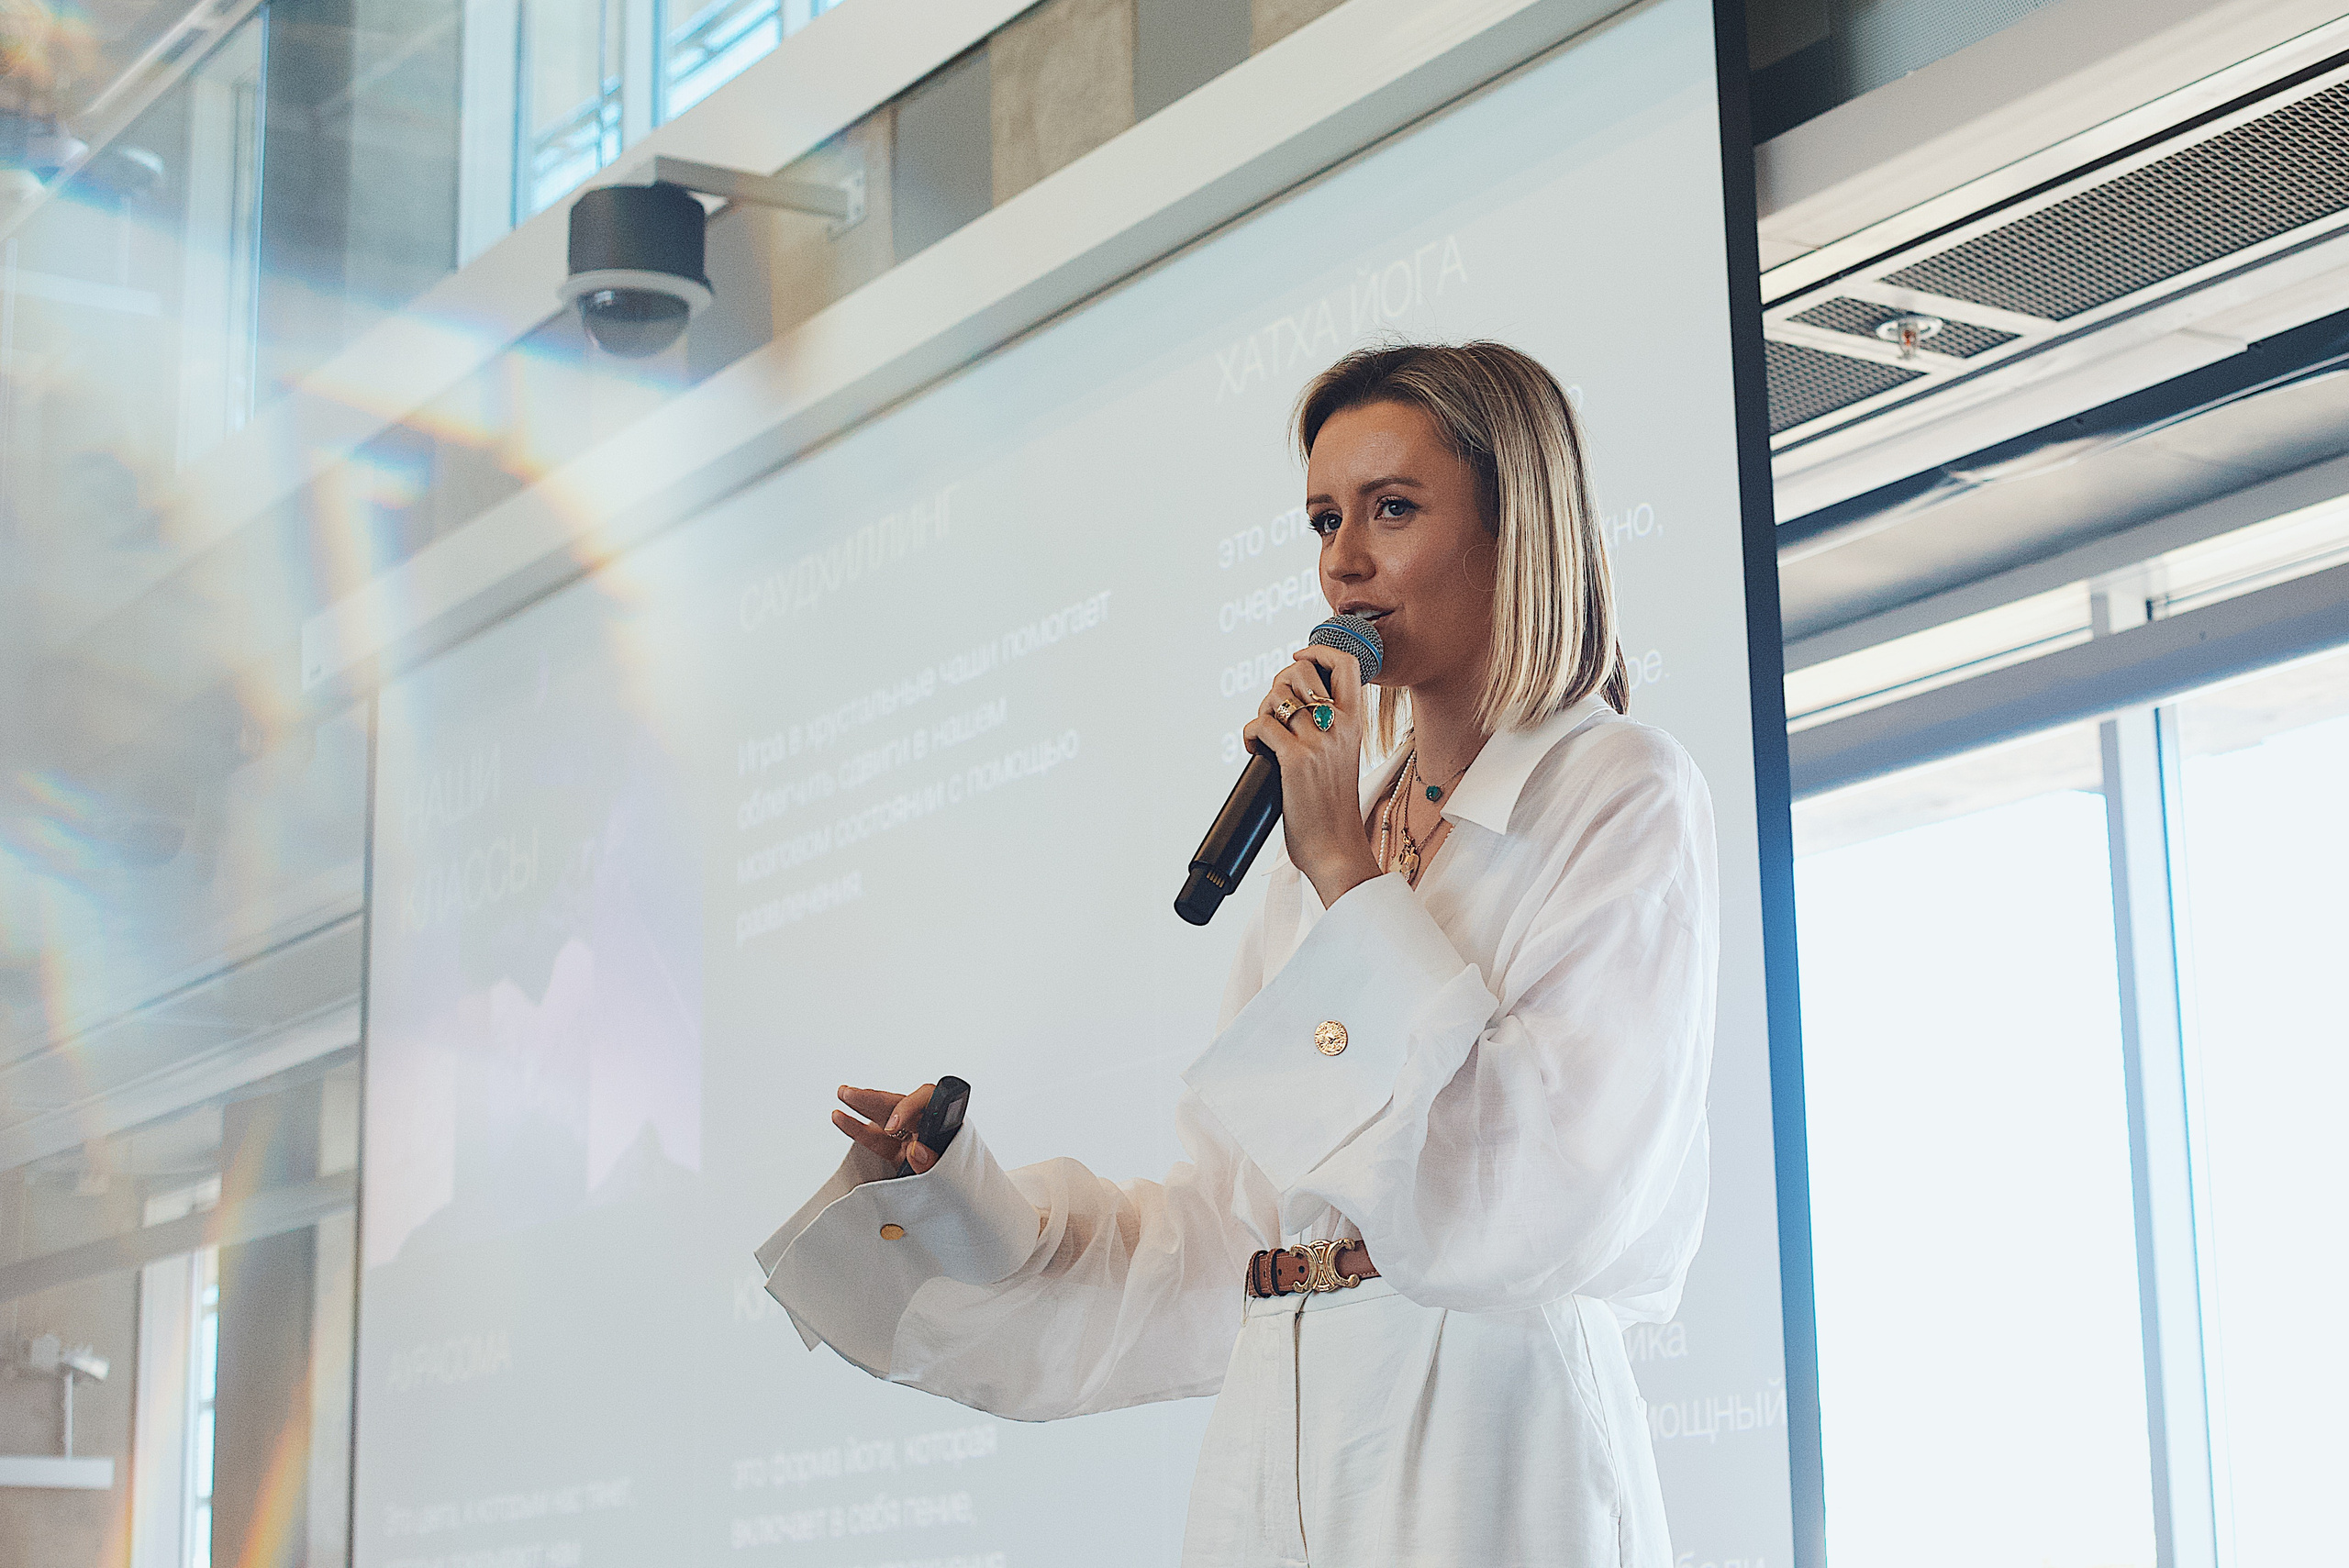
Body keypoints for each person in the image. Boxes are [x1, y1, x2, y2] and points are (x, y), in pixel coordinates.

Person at [756, 341, 1720, 1567]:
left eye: (1394, 509)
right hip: (1280, 1441)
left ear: (1513, 525)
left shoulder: (1618, 791)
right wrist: (972, 1198)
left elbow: (1540, 1185)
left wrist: (1344, 873)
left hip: (1488, 1431)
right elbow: (1228, 1227)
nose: (1343, 562)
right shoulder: (1335, 833)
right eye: (1326, 518)